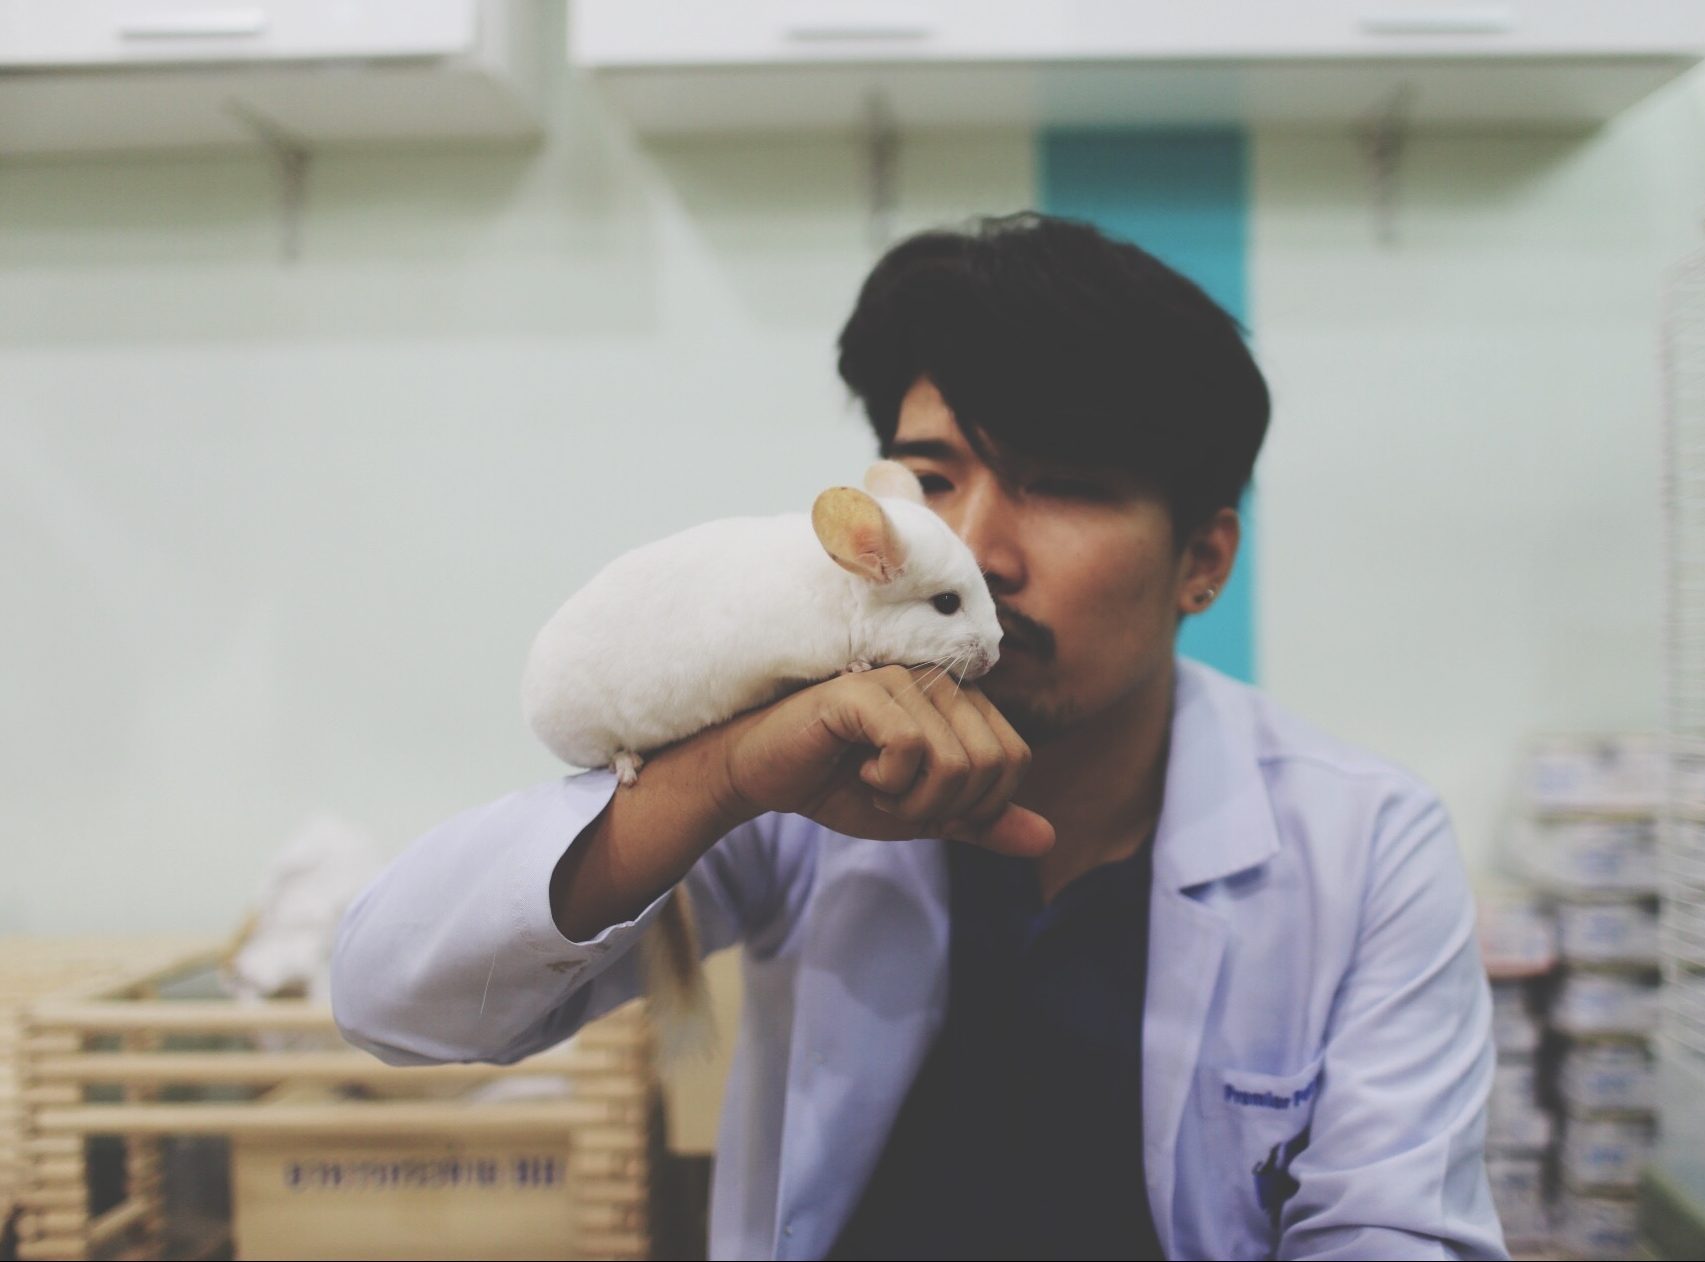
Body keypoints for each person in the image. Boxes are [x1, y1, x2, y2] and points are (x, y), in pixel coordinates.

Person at [332, 212, 1506, 1261]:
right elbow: (394, 998)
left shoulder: (1364, 844)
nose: (979, 547)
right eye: (933, 478)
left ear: (1202, 559)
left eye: (1064, 484)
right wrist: (727, 775)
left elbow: (1392, 1228)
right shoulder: (792, 781)